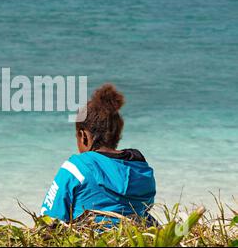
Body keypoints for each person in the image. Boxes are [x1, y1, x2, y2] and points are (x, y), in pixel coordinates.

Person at [40, 84, 156, 225]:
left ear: (83, 137)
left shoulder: (76, 167)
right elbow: (147, 206)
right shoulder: (141, 168)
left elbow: (48, 220)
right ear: (117, 135)